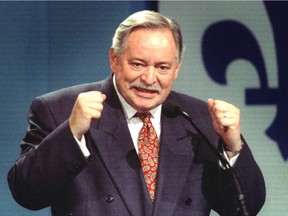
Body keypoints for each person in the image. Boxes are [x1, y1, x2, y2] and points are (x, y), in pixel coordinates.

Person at [8, 10, 265, 216]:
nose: (149, 78)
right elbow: (26, 194)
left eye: (162, 67)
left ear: (176, 69)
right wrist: (72, 132)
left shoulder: (199, 119)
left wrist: (232, 148)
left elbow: (244, 209)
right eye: (138, 64)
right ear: (114, 59)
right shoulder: (59, 109)